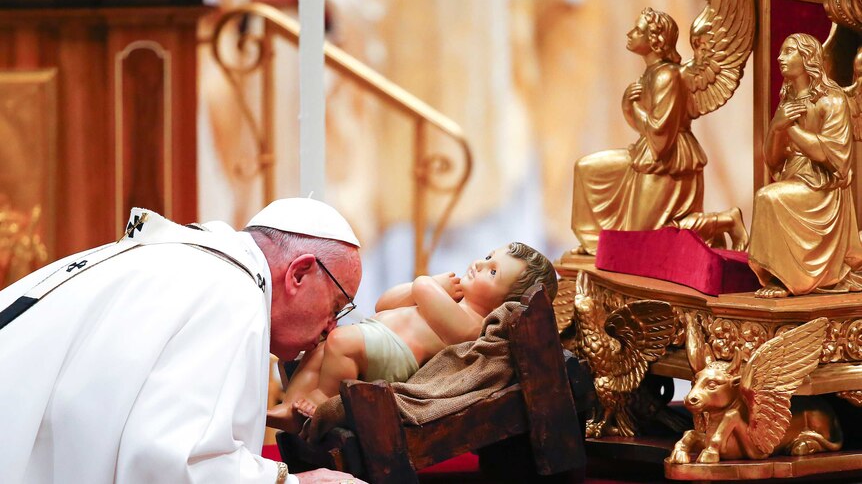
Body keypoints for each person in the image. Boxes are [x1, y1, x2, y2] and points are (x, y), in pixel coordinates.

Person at [0, 198, 367, 484]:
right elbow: (170, 462)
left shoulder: (192, 265)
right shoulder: (229, 292)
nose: (332, 328)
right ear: (299, 273)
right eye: (337, 305)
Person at [267, 242, 558, 433]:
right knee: (319, 352)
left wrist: (430, 283)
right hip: (374, 335)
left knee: (340, 342)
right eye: (487, 258)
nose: (480, 265)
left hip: (396, 355)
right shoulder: (452, 298)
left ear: (504, 303)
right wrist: (427, 288)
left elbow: (423, 291)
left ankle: (321, 400)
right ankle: (290, 405)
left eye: (492, 272)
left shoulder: (472, 324)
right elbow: (384, 303)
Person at [570, 7, 748, 255]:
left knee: (647, 237)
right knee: (586, 168)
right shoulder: (651, 74)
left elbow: (660, 135)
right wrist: (628, 107)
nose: (630, 34)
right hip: (648, 155)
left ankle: (724, 220)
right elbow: (646, 130)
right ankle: (595, 242)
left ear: (655, 40)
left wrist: (634, 108)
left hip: (669, 163)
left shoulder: (668, 77)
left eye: (638, 30)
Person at [749, 33, 862, 298]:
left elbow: (834, 156)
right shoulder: (788, 101)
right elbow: (772, 159)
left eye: (789, 52)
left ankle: (787, 279)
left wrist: (788, 128)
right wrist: (776, 128)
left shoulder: (833, 101)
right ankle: (782, 275)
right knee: (768, 196)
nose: (780, 58)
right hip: (796, 178)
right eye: (781, 52)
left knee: (767, 197)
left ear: (808, 57)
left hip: (824, 189)